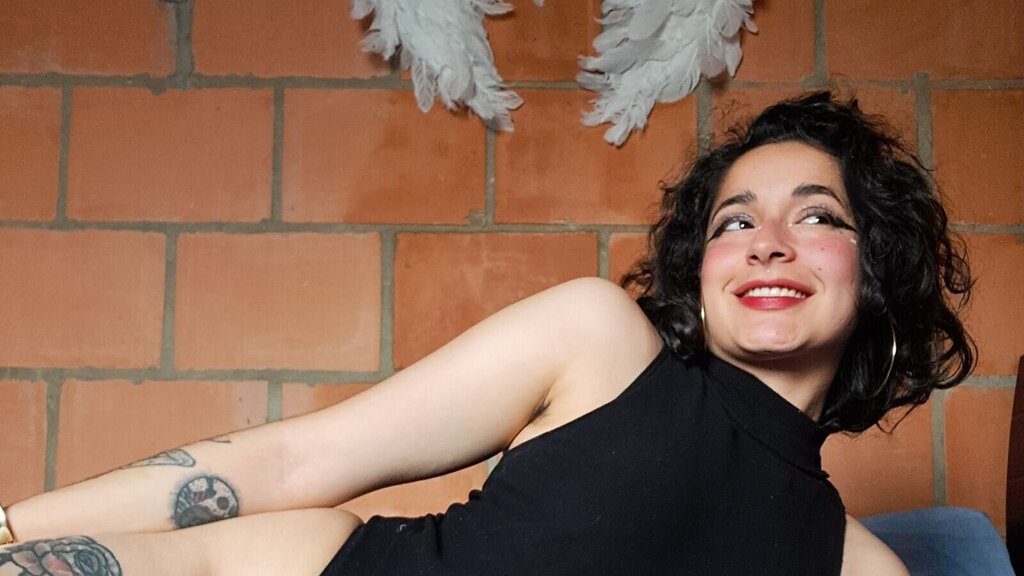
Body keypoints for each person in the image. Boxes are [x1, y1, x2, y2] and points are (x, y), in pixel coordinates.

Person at [0, 91, 974, 576]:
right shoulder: (600, 339)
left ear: (875, 270)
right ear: (700, 269)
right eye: (734, 220)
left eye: (817, 215)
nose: (766, 241)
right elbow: (295, 459)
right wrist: (8, 530)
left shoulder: (856, 568)